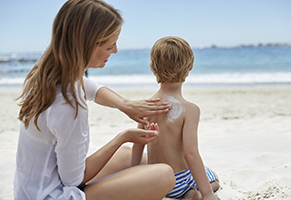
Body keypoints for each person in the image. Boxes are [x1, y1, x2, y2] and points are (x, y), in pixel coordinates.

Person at [14, 1, 176, 200]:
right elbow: (73, 179)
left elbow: (92, 88)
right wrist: (123, 136)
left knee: (127, 155)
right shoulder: (69, 106)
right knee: (164, 175)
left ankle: (185, 174)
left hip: (30, 190)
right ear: (87, 45)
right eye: (110, 46)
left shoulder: (43, 74)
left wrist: (126, 105)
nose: (115, 51)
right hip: (55, 195)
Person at [131, 36, 220, 200]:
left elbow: (137, 144)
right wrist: (208, 194)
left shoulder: (145, 106)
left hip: (154, 179)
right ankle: (197, 194)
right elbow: (190, 154)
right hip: (178, 180)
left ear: (153, 69)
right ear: (188, 70)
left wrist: (134, 177)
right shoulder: (190, 110)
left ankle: (188, 194)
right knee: (214, 179)